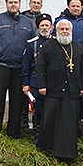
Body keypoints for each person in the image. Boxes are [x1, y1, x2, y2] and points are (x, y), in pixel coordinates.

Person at [0, 0, 35, 142]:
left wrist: (30, 67)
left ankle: (13, 134)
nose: (13, 5)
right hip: (1, 66)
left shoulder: (27, 23)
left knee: (17, 102)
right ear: (6, 4)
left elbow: (31, 46)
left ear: (20, 4)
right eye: (10, 2)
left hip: (20, 68)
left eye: (16, 2)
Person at [35, 19, 83, 161]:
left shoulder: (77, 47)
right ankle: (48, 148)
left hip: (72, 92)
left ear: (71, 31)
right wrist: (42, 86)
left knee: (69, 124)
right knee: (50, 120)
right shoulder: (48, 46)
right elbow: (39, 67)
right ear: (56, 30)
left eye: (67, 29)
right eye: (62, 29)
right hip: (53, 90)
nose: (64, 32)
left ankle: (67, 154)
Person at [53, 0, 83, 121]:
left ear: (82, 6)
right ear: (68, 6)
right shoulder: (61, 21)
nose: (76, 8)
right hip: (66, 59)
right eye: (73, 6)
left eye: (78, 6)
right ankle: (75, 112)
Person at [21, 13, 52, 144]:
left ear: (51, 26)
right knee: (37, 110)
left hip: (52, 81)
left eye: (47, 25)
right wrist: (26, 84)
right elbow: (25, 66)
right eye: (42, 25)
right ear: (38, 27)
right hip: (36, 81)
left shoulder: (55, 42)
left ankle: (50, 137)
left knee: (51, 110)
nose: (44, 28)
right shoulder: (31, 45)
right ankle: (38, 138)